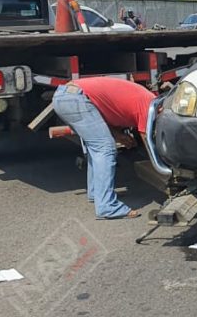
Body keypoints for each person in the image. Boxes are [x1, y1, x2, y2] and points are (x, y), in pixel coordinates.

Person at [52, 77, 157, 220]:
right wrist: (160, 164)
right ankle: (107, 206)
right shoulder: (150, 105)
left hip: (64, 97)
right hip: (76, 98)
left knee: (95, 146)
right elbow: (148, 140)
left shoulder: (143, 99)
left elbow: (101, 115)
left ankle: (97, 193)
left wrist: (119, 136)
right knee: (105, 148)